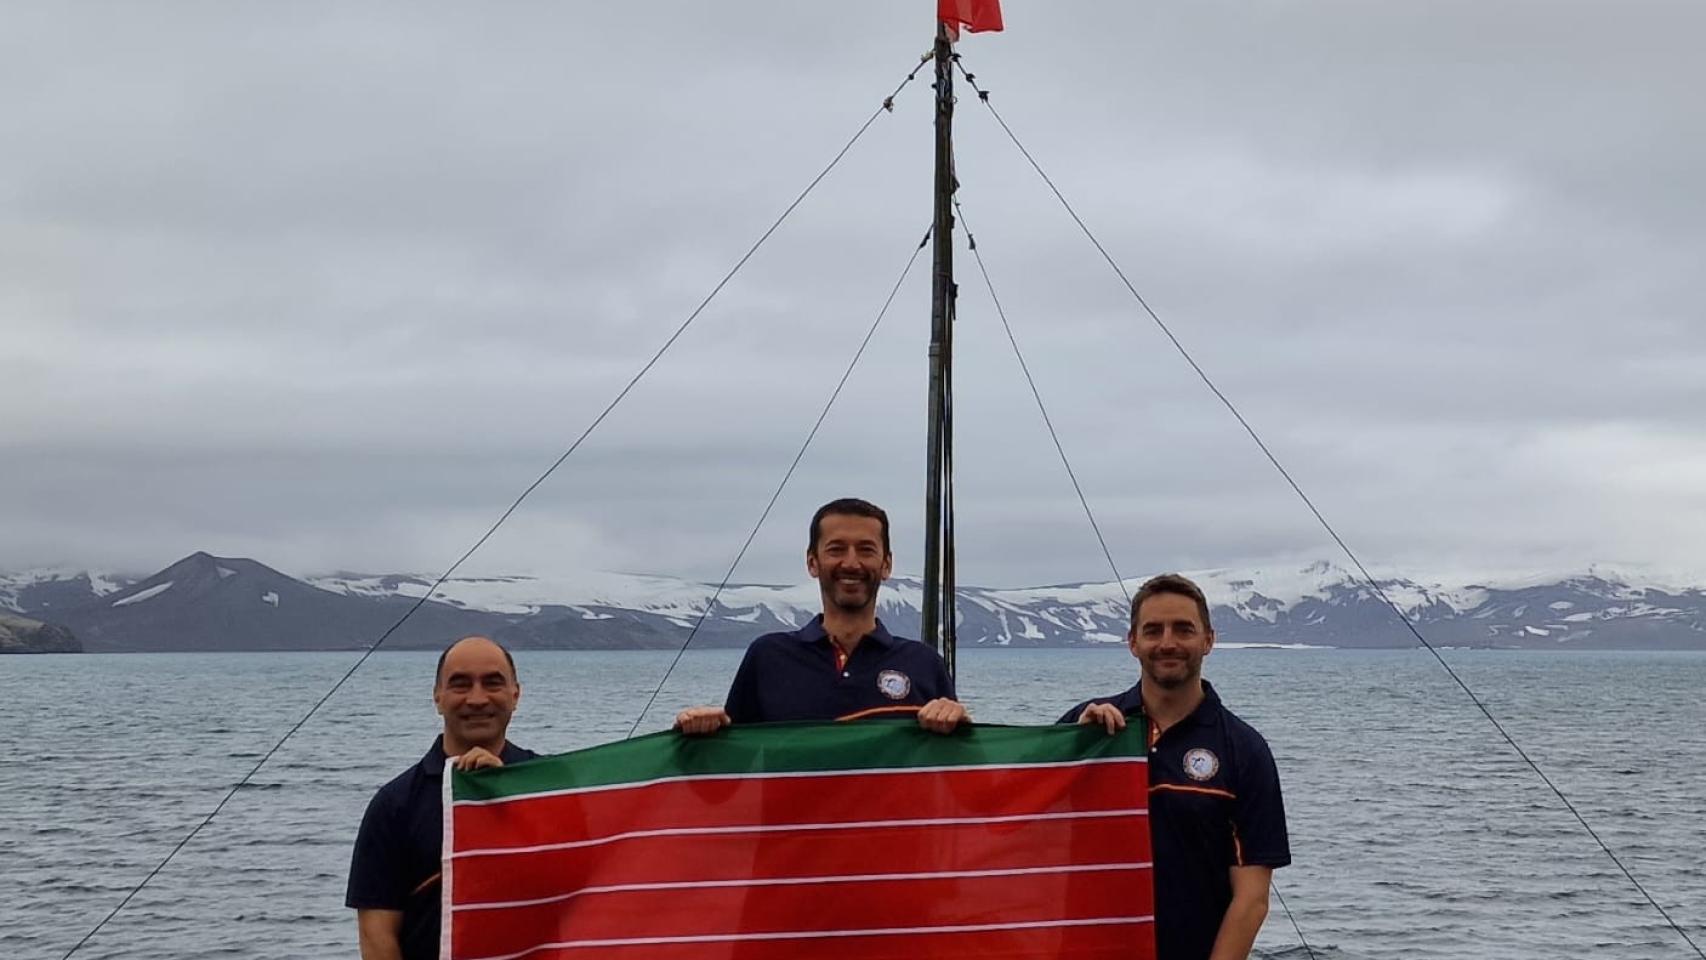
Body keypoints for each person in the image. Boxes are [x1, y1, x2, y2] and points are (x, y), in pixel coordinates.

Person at [1060, 573, 1290, 960]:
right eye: (1153, 630)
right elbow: (1012, 814)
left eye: (1184, 629)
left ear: (1208, 640)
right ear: (1133, 642)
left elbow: (1251, 901)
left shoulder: (1244, 750)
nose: (1168, 643)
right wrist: (1076, 749)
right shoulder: (1085, 725)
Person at [675, 497, 967, 734]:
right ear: (812, 562)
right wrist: (697, 736)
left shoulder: (924, 663)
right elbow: (731, 776)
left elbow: (956, 782)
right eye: (836, 549)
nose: (851, 563)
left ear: (886, 564)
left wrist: (961, 727)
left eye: (866, 550)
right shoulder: (767, 657)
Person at [346, 636, 537, 960]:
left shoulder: (551, 786)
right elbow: (377, 936)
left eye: (492, 683)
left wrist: (506, 787)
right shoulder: (394, 806)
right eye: (460, 685)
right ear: (438, 697)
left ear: (515, 695)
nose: (477, 699)